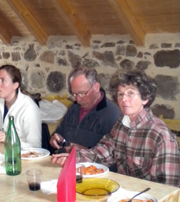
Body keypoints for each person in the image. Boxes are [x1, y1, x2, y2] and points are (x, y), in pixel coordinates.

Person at [52, 69, 180, 187]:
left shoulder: (160, 136)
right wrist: (73, 157)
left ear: (145, 98)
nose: (124, 99)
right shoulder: (121, 124)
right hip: (120, 192)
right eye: (120, 94)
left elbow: (169, 190)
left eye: (130, 93)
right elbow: (102, 152)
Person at [50, 66, 121, 151]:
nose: (78, 99)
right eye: (74, 94)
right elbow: (59, 134)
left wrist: (86, 151)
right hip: (64, 162)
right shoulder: (73, 109)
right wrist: (55, 138)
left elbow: (115, 154)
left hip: (90, 164)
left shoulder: (113, 114)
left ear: (96, 87)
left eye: (82, 93)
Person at [0, 64, 42, 148]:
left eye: (3, 81)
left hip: (22, 157)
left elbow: (36, 146)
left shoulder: (29, 108)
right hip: (1, 154)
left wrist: (10, 140)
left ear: (15, 85)